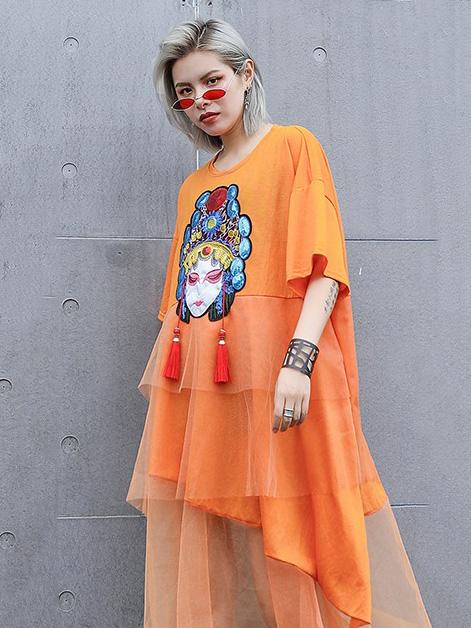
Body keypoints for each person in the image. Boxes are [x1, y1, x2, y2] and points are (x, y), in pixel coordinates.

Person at [126, 17, 432, 627]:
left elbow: (325, 269)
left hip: (284, 376)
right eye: (185, 92)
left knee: (297, 532)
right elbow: (183, 307)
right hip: (211, 392)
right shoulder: (193, 188)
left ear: (246, 74)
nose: (200, 101)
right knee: (221, 543)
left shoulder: (294, 147)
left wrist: (299, 361)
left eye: (212, 82)